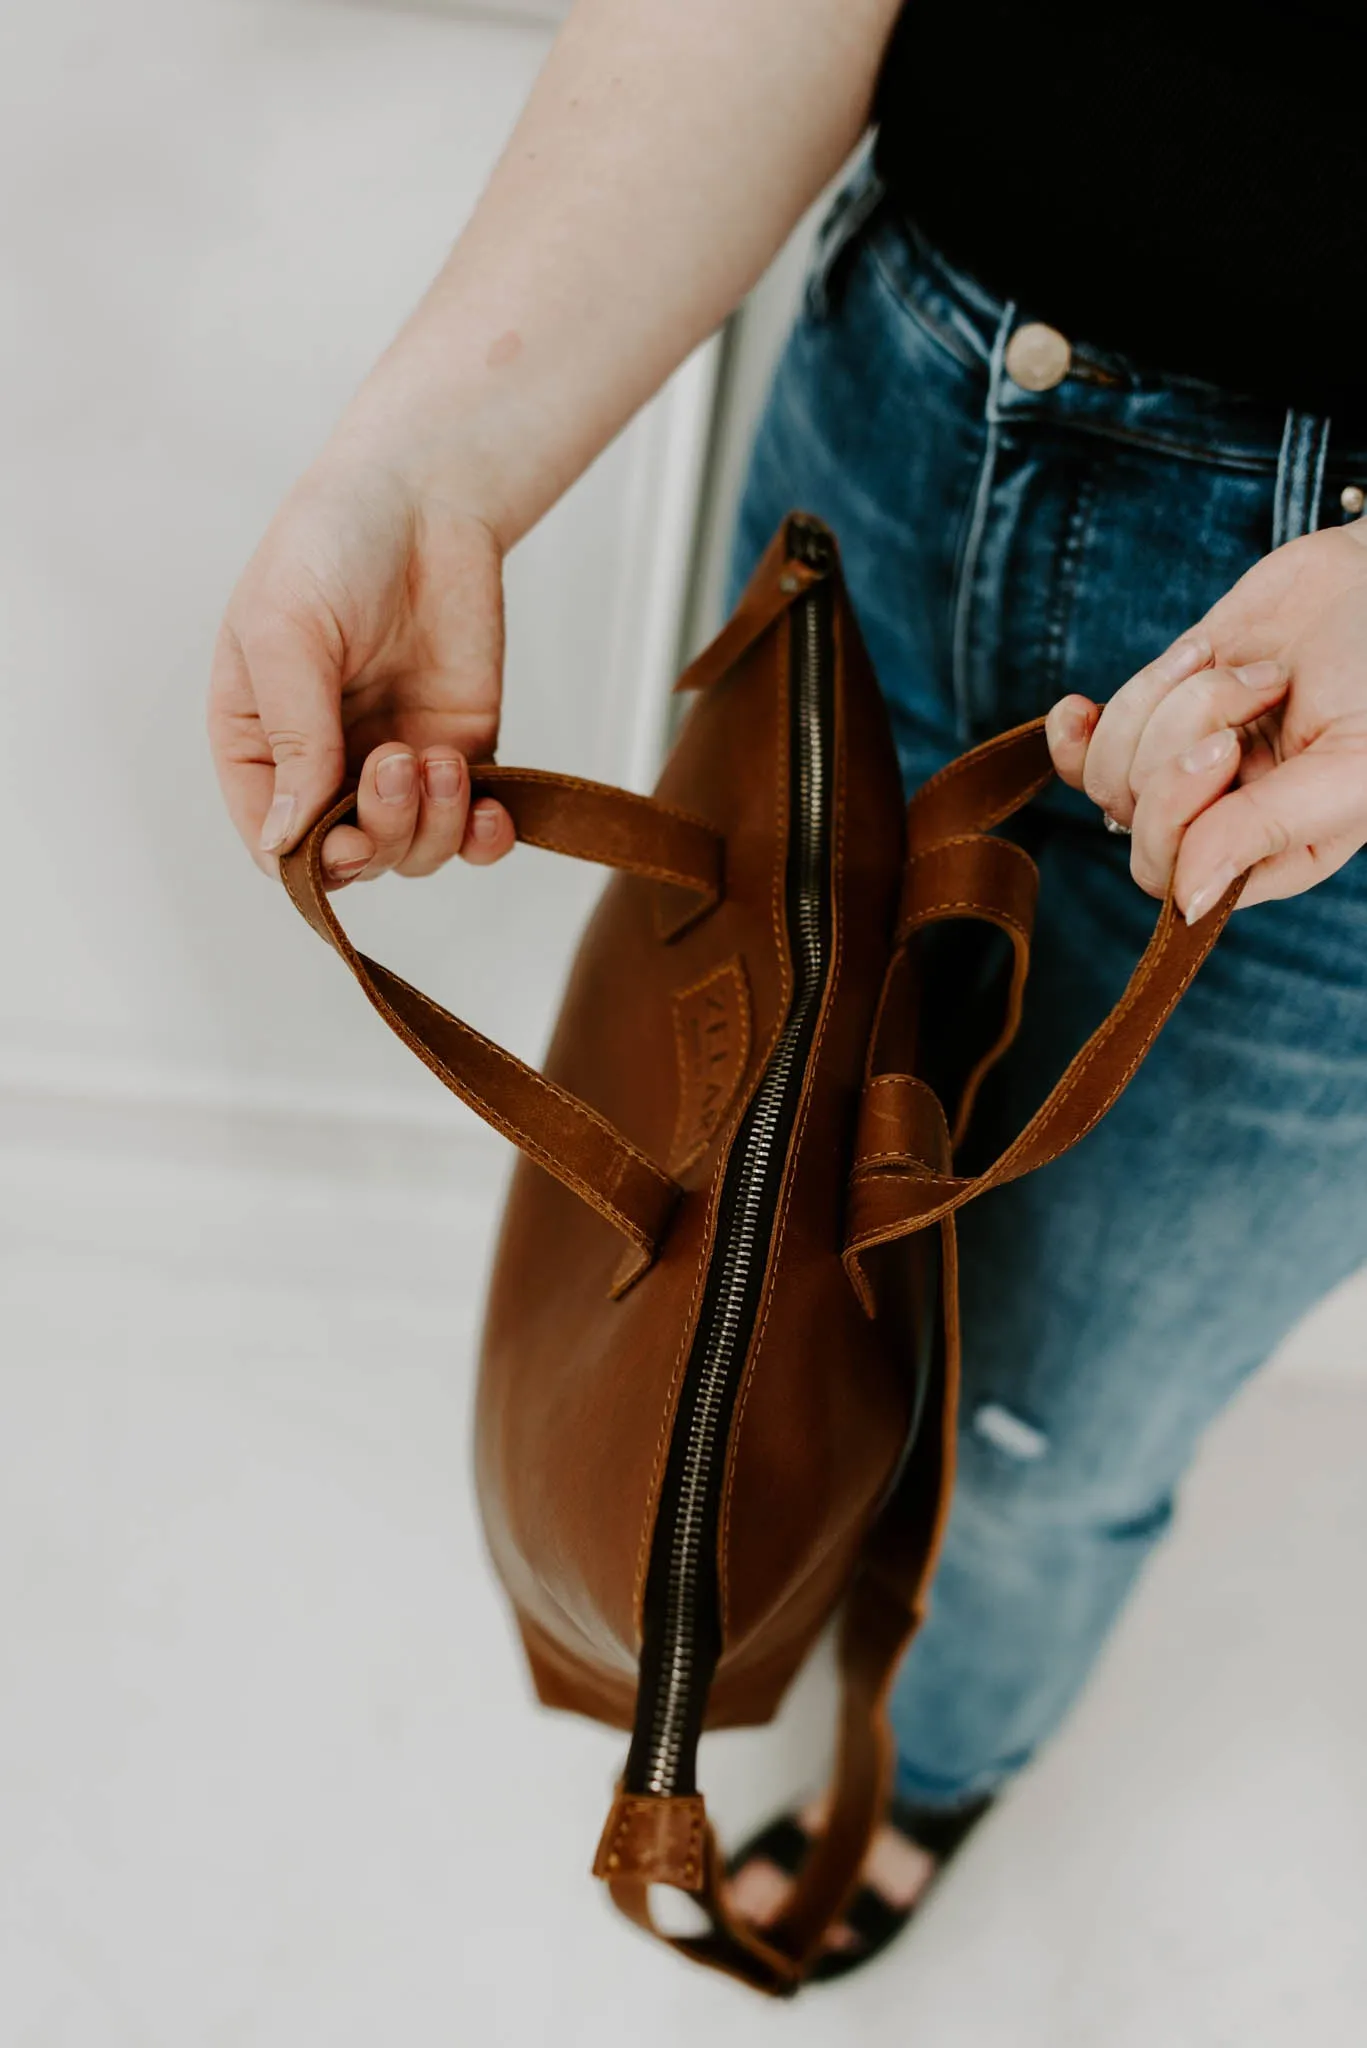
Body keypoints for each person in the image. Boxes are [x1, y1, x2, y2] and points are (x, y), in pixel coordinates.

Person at [208, 0, 1367, 1977]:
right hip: (902, 411)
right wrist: (433, 469)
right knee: (726, 1196)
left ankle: (931, 1756)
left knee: (1052, 1419)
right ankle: (795, 1549)